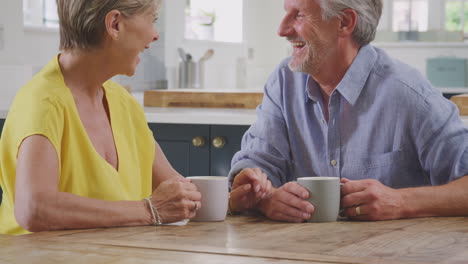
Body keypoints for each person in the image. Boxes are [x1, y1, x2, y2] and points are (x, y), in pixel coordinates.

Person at [0, 0, 269, 235]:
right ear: (115, 24)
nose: (154, 35)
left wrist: (232, 200)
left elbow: (176, 197)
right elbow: (34, 208)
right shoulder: (43, 102)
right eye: (152, 20)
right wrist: (147, 210)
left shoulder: (123, 103)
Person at [228, 0, 468, 222]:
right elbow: (258, 164)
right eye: (285, 13)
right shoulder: (283, 82)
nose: (282, 29)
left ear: (344, 22)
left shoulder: (409, 94)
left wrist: (401, 201)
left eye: (299, 15)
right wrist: (262, 195)